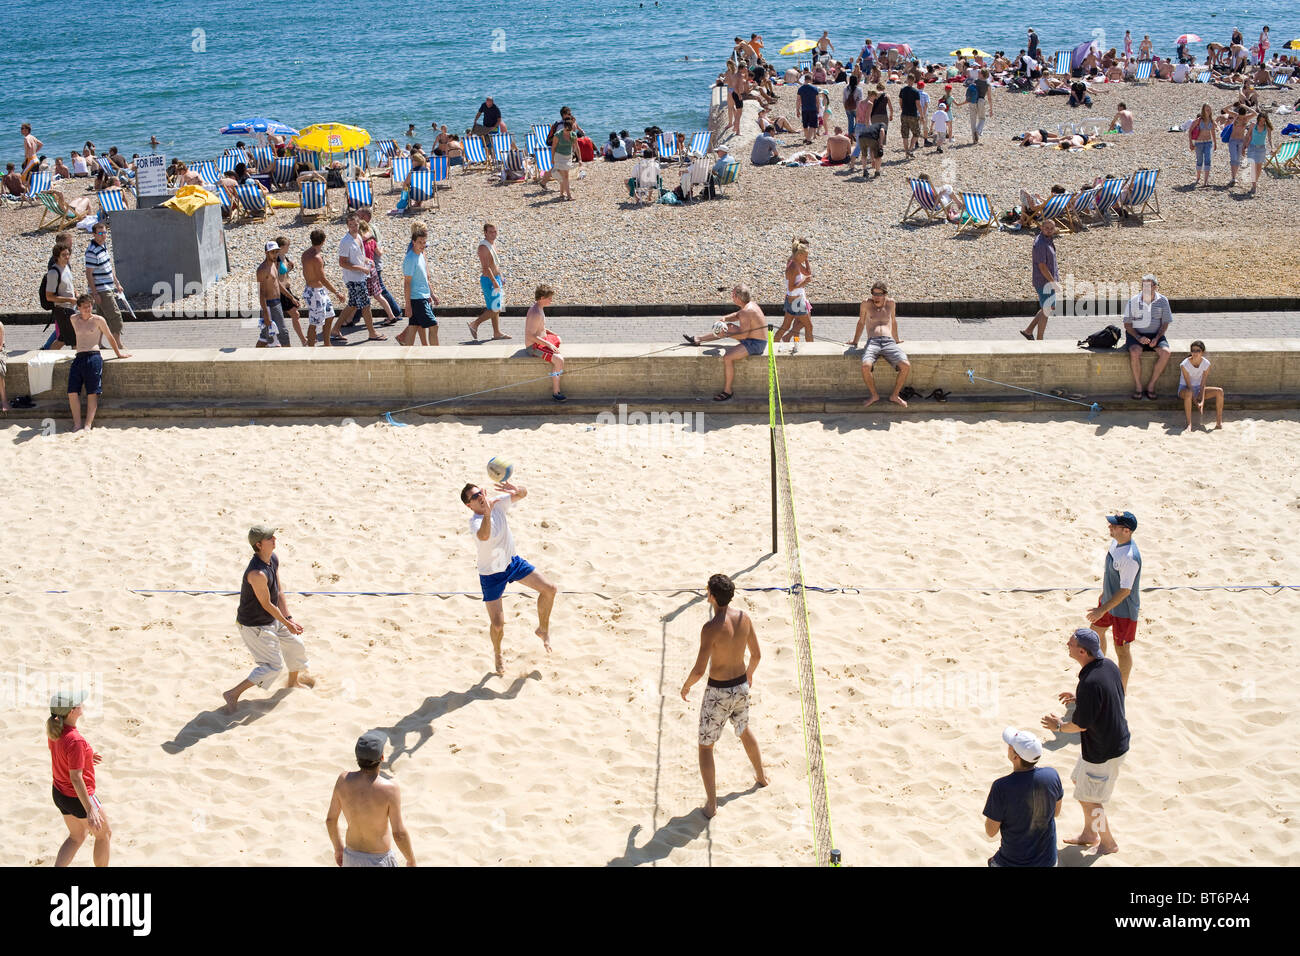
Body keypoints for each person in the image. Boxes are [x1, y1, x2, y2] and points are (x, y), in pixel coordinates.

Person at [679, 573, 769, 818]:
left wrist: (686, 687)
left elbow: (699, 669)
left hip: (718, 691)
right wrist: (749, 675)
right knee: (744, 729)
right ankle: (761, 777)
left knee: (705, 747)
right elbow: (757, 655)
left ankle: (711, 804)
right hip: (740, 686)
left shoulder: (710, 629)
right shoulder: (744, 618)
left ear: (711, 596)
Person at [1041, 628, 1130, 855]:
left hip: (1103, 752)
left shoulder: (1090, 682)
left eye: (1070, 643)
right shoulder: (1107, 666)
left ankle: (1108, 843)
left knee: (1092, 802)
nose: (1067, 645)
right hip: (1108, 744)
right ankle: (1090, 834)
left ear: (1082, 651)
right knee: (1079, 784)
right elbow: (1108, 693)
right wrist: (1081, 699)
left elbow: (1079, 725)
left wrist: (1058, 726)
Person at [460, 477, 558, 677]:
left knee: (550, 589)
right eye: (475, 497)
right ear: (469, 505)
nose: (480, 497)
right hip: (491, 574)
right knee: (497, 624)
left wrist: (517, 488)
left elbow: (523, 493)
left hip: (512, 563)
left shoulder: (497, 503)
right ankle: (497, 654)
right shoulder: (476, 522)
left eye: (481, 493)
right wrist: (487, 513)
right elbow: (485, 536)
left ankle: (542, 630)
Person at [222, 525, 315, 712]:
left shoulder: (272, 558)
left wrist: (289, 618)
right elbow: (266, 604)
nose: (274, 539)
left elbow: (278, 591)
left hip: (272, 618)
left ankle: (293, 682)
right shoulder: (256, 574)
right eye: (269, 538)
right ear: (258, 544)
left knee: (296, 645)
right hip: (254, 625)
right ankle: (232, 694)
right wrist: (287, 623)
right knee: (273, 667)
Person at [325, 731, 416, 867]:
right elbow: (398, 833)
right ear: (382, 757)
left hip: (351, 857)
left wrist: (338, 849)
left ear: (357, 757)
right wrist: (410, 859)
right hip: (378, 860)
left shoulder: (343, 780)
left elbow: (330, 820)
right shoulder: (390, 789)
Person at [47, 689, 111, 866]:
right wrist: (90, 808)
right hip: (78, 797)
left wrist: (87, 755)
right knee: (104, 835)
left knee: (77, 836)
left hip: (59, 793)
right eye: (77, 704)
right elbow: (76, 777)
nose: (81, 704)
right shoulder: (75, 741)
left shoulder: (54, 730)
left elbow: (64, 754)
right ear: (71, 712)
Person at [982, 727, 1062, 867]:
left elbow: (991, 831)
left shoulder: (1001, 787)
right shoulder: (1052, 775)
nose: (1008, 747)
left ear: (1015, 757)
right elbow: (1056, 812)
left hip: (1012, 863)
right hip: (1048, 861)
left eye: (1010, 746)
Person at [1083, 511, 1141, 690]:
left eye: (1114, 525)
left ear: (1126, 531)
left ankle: (1120, 690)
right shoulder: (1116, 543)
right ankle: (1098, 674)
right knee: (1095, 634)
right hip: (1108, 601)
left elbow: (1125, 591)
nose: (1110, 527)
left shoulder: (1130, 558)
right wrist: (1104, 592)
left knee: (1122, 650)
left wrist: (1101, 610)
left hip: (1123, 610)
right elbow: (1110, 573)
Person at [682, 284, 767, 402]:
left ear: (738, 297)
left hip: (756, 344)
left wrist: (726, 334)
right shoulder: (749, 305)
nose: (731, 297)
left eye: (732, 295)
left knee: (727, 358)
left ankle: (727, 391)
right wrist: (724, 319)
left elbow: (743, 335)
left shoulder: (747, 311)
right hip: (753, 339)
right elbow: (737, 315)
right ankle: (698, 339)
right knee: (728, 326)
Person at [65, 294, 130, 431]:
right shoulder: (73, 319)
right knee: (72, 391)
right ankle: (77, 424)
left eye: (90, 306)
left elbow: (110, 337)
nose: (88, 309)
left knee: (92, 392)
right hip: (79, 357)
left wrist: (118, 354)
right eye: (85, 307)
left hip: (93, 355)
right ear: (79, 308)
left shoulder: (98, 320)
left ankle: (88, 424)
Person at [851, 282, 911, 407]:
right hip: (873, 342)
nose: (876, 297)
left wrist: (897, 339)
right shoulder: (866, 304)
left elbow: (893, 321)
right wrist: (855, 341)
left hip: (889, 342)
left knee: (905, 365)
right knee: (865, 366)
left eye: (879, 294)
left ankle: (895, 395)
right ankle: (874, 395)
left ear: (885, 294)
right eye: (874, 293)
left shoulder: (891, 303)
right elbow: (861, 322)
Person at [331, 212, 385, 345]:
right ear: (347, 226)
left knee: (353, 304)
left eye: (355, 225)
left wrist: (367, 260)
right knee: (366, 304)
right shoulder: (345, 242)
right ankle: (372, 333)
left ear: (358, 224)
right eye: (351, 225)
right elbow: (342, 263)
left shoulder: (358, 237)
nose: (354, 227)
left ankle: (335, 330)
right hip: (354, 278)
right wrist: (361, 269)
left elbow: (360, 256)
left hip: (360, 276)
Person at [1123, 273, 1173, 400]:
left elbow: (1165, 322)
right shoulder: (1133, 301)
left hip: (1156, 334)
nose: (1145, 289)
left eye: (1149, 286)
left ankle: (1151, 385)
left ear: (1155, 287)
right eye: (1143, 285)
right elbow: (1127, 325)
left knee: (1166, 353)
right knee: (1135, 352)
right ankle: (1139, 387)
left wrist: (1157, 338)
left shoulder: (1163, 301)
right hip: (1136, 334)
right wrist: (1139, 337)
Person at [83, 222, 125, 348]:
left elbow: (109, 267)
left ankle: (98, 343)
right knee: (115, 316)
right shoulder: (91, 251)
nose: (103, 235)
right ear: (94, 234)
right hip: (101, 290)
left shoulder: (103, 246)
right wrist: (94, 293)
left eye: (105, 232)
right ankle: (117, 344)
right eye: (100, 233)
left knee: (101, 318)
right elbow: (89, 274)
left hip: (108, 287)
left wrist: (117, 283)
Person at [397, 223, 438, 347]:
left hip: (423, 297)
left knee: (413, 327)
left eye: (424, 242)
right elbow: (407, 283)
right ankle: (437, 355)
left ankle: (406, 357)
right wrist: (408, 305)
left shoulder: (420, 255)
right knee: (433, 325)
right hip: (417, 299)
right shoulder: (410, 259)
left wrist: (431, 294)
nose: (422, 245)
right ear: (413, 242)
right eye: (420, 242)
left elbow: (425, 278)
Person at [300, 228, 343, 347]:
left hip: (315, 290)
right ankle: (311, 348)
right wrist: (337, 292)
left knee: (330, 315)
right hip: (315, 292)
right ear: (324, 241)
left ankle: (327, 344)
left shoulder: (306, 253)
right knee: (314, 322)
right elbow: (322, 279)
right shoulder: (316, 258)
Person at [524, 283, 566, 400]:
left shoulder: (538, 307)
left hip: (542, 339)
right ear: (542, 298)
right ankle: (556, 392)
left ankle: (551, 343)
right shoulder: (535, 313)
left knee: (558, 338)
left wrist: (550, 333)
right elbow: (529, 335)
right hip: (533, 347)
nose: (551, 300)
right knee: (559, 360)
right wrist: (548, 344)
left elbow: (540, 328)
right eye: (549, 298)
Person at [469, 223, 508, 340]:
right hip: (489, 280)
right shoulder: (483, 247)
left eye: (495, 231)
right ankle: (474, 324)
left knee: (495, 307)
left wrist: (500, 276)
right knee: (496, 307)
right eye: (490, 232)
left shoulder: (493, 244)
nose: (493, 234)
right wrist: (494, 282)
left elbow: (495, 263)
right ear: (485, 233)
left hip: (496, 278)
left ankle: (496, 333)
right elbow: (486, 267)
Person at [1020, 219, 1058, 340]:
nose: (1049, 230)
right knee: (1046, 310)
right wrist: (1053, 283)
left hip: (1047, 280)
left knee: (1046, 308)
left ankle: (1028, 330)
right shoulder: (1041, 243)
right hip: (1044, 281)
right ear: (1041, 228)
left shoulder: (1047, 240)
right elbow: (1042, 266)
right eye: (1047, 228)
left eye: (1052, 228)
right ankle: (1040, 340)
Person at [1179, 340, 1224, 430]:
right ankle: (1189, 424)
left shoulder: (1206, 363)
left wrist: (1202, 402)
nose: (1195, 353)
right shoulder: (1184, 364)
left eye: (1198, 351)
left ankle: (1219, 423)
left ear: (1202, 352)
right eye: (1193, 350)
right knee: (1188, 393)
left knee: (1219, 391)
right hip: (1186, 389)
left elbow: (1203, 384)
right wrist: (1196, 403)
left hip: (1199, 389)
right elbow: (1189, 386)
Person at [777, 238, 813, 342]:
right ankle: (810, 351)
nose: (807, 255)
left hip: (798, 297)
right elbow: (791, 287)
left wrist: (805, 258)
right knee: (807, 325)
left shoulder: (796, 262)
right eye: (805, 251)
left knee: (793, 324)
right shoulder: (793, 264)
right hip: (797, 300)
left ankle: (791, 341)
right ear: (799, 251)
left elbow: (808, 272)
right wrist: (804, 282)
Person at [255, 241, 287, 348]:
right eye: (272, 252)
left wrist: (291, 297)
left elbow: (277, 283)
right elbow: (261, 293)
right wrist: (266, 313)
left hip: (277, 303)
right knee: (282, 334)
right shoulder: (262, 270)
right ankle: (291, 357)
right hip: (269, 305)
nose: (275, 254)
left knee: (266, 337)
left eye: (276, 252)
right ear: (266, 253)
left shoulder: (273, 264)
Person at [1243, 110, 1274, 195]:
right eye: (1260, 120)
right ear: (1258, 119)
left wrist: (1272, 147)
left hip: (1261, 148)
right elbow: (1247, 135)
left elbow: (1270, 139)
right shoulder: (1253, 125)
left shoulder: (1267, 127)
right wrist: (1244, 147)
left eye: (1263, 121)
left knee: (1259, 168)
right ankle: (1254, 186)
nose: (1261, 122)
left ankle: (1255, 181)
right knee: (1253, 166)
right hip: (1252, 147)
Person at [550, 116, 578, 201]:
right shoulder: (558, 135)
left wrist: (579, 158)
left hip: (568, 157)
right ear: (564, 127)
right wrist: (552, 158)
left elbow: (576, 146)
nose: (568, 132)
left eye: (570, 130)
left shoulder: (573, 134)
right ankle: (569, 196)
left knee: (564, 176)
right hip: (559, 156)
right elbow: (553, 147)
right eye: (567, 130)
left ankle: (561, 193)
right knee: (565, 176)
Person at [1189, 103, 1217, 187]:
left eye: (1209, 109)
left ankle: (1205, 181)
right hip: (1199, 143)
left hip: (1208, 142)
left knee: (1208, 160)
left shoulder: (1211, 121)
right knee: (1199, 160)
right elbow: (1190, 131)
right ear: (1203, 110)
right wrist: (1191, 143)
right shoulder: (1198, 120)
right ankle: (1198, 178)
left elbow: (1213, 132)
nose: (1208, 111)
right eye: (1207, 109)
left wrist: (1215, 143)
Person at [898, 75, 922, 157]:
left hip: (904, 114)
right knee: (916, 133)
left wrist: (902, 108)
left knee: (905, 134)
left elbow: (900, 101)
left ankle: (906, 152)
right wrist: (921, 115)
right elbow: (918, 104)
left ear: (907, 80)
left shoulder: (903, 90)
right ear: (914, 80)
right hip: (913, 115)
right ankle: (910, 149)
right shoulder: (915, 92)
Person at [968, 69, 992, 143]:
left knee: (973, 120)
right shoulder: (988, 84)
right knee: (982, 118)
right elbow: (989, 97)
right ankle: (978, 131)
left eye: (979, 72)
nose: (978, 73)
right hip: (981, 101)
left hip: (972, 101)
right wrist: (991, 109)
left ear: (982, 74)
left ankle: (974, 140)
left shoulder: (975, 81)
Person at [796, 73, 820, 144]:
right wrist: (818, 108)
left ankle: (807, 138)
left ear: (804, 80)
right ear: (811, 80)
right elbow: (817, 101)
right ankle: (809, 140)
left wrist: (797, 110)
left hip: (804, 109)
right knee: (812, 125)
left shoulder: (800, 89)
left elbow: (798, 100)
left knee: (805, 125)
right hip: (813, 108)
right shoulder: (815, 88)